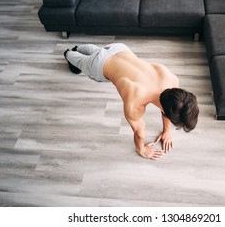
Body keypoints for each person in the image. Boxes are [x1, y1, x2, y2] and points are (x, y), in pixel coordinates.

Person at [64, 43, 199, 160]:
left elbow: (172, 106)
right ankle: (69, 53)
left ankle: (78, 47)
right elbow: (139, 133)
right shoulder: (135, 103)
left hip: (120, 49)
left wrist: (166, 131)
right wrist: (142, 150)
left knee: (100, 52)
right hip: (99, 65)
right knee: (82, 62)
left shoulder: (171, 79)